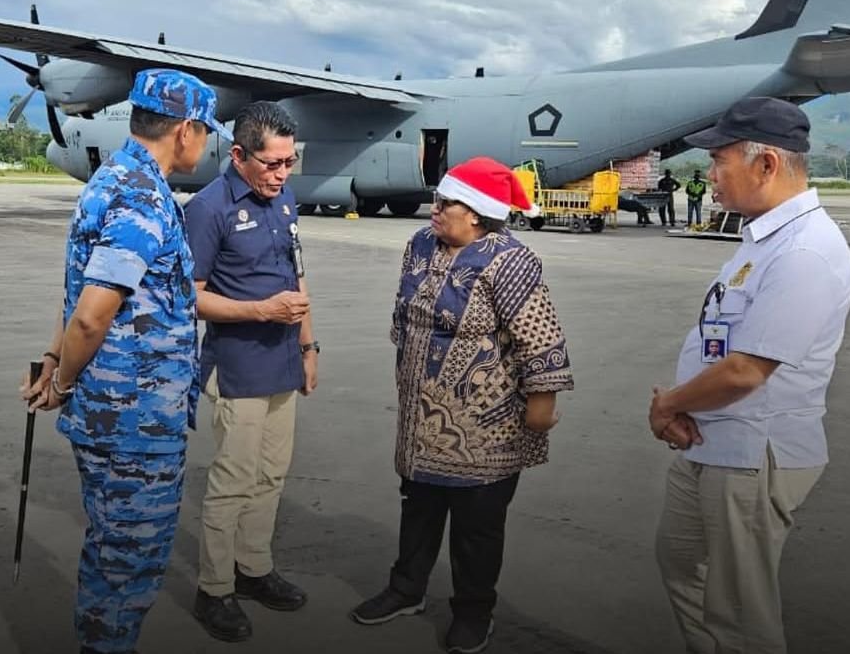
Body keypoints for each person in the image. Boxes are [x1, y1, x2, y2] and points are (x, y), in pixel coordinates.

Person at [21, 68, 228, 654]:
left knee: (111, 551)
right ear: (184, 130)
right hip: (132, 419)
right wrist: (60, 380)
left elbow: (78, 297)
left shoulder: (112, 178)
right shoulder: (141, 196)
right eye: (204, 131)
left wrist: (53, 359)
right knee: (129, 565)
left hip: (118, 413)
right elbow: (92, 312)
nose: (205, 142)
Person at [649, 97, 850, 654]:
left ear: (765, 165)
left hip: (751, 456)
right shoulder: (763, 239)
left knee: (739, 611)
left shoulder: (806, 252)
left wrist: (669, 404)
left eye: (719, 162)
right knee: (680, 565)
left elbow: (745, 371)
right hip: (710, 443)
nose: (708, 176)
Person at [350, 157, 575, 654]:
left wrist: (542, 405)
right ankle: (405, 589)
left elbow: (539, 338)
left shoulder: (512, 262)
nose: (435, 208)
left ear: (475, 213)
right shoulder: (419, 246)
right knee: (419, 507)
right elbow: (403, 312)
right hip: (419, 415)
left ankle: (474, 612)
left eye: (446, 202)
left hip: (484, 426)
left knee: (477, 526)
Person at [183, 101, 317, 643]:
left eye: (290, 163)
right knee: (233, 481)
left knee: (271, 475)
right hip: (237, 367)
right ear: (239, 155)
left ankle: (253, 568)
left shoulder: (284, 200)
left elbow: (298, 277)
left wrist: (310, 346)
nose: (282, 174)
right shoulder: (207, 209)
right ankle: (214, 589)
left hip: (284, 361)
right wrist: (260, 311)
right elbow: (190, 299)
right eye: (272, 163)